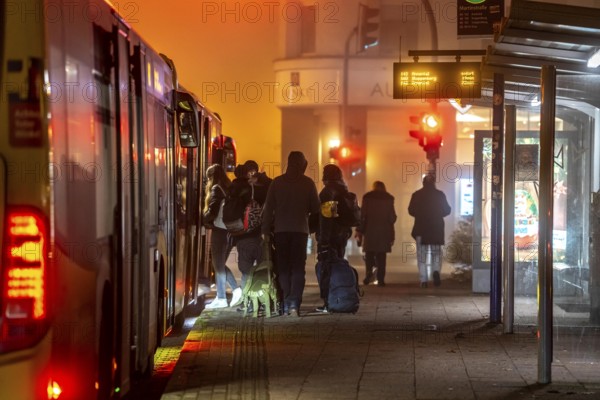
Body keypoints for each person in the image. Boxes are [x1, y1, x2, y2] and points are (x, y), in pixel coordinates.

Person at [261, 151, 320, 317]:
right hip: (300, 231)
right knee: (298, 268)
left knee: (283, 268)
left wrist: (265, 230)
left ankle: (286, 302)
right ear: (303, 165)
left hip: (280, 231)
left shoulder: (277, 183)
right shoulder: (308, 183)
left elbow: (268, 210)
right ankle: (294, 304)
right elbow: (316, 208)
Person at [229, 160, 272, 313]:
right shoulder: (261, 188)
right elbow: (270, 191)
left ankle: (247, 302)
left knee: (246, 271)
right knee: (261, 269)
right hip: (259, 236)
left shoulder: (237, 188)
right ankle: (261, 300)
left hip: (244, 237)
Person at [202, 164, 243, 308]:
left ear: (212, 177)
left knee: (218, 265)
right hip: (229, 230)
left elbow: (212, 210)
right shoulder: (228, 187)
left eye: (208, 178)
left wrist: (203, 218)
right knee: (219, 264)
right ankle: (226, 295)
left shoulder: (216, 189)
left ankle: (225, 296)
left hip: (219, 230)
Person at [315, 164, 353, 312]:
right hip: (342, 236)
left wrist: (323, 240)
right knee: (337, 266)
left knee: (326, 269)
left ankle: (328, 302)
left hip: (330, 237)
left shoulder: (328, 192)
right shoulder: (343, 189)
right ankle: (338, 299)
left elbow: (326, 219)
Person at [408, 174, 451, 288]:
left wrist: (420, 214)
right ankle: (436, 271)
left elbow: (411, 210)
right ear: (434, 183)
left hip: (421, 229)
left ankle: (423, 280)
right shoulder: (440, 195)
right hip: (436, 229)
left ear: (423, 183)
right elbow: (447, 210)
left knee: (421, 256)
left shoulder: (416, 195)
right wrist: (438, 214)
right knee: (436, 253)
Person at [355, 180, 396, 287]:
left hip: (370, 231)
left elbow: (362, 216)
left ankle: (369, 273)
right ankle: (381, 279)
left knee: (369, 255)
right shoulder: (389, 198)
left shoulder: (367, 197)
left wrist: (359, 230)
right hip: (384, 232)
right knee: (382, 257)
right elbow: (392, 218)